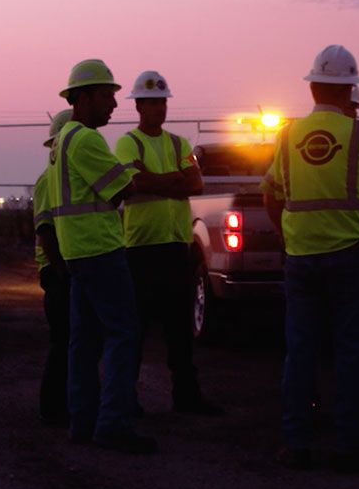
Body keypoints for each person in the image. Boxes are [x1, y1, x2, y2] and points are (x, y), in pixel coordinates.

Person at [261, 45, 359, 471]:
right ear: (349, 90)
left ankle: (296, 442)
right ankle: (350, 445)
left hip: (301, 257)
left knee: (300, 351)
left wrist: (287, 235)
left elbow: (271, 193)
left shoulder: (287, 136)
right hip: (351, 257)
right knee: (351, 351)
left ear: (314, 88)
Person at [50, 59, 157, 454]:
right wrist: (134, 177)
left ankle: (82, 421)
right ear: (84, 97)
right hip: (101, 250)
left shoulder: (62, 139)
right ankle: (113, 423)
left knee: (84, 341)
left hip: (78, 252)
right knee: (124, 333)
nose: (115, 104)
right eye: (108, 96)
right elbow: (122, 189)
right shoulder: (86, 140)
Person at [112, 70, 221, 415]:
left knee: (179, 329)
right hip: (141, 248)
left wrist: (159, 181)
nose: (160, 108)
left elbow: (197, 183)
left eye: (163, 102)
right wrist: (174, 179)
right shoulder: (128, 143)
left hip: (176, 246)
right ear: (138, 106)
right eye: (153, 102)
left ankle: (186, 396)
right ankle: (126, 398)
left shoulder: (180, 144)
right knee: (136, 329)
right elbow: (135, 182)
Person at [33, 109, 75, 427]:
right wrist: (60, 269)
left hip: (65, 268)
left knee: (73, 340)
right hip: (58, 270)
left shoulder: (63, 177)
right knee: (64, 340)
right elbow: (45, 230)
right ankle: (52, 407)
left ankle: (66, 402)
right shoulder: (49, 180)